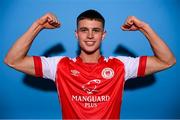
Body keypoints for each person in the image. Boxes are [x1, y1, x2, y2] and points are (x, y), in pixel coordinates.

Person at [4, 9, 176, 119]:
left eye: (96, 30)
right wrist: (37, 25)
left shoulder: (120, 66)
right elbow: (12, 60)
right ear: (76, 34)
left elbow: (167, 61)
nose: (90, 36)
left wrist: (144, 27)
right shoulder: (58, 66)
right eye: (84, 30)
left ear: (103, 35)